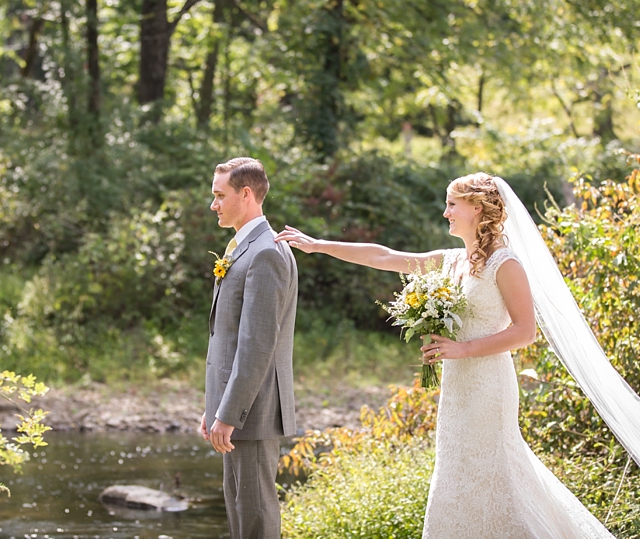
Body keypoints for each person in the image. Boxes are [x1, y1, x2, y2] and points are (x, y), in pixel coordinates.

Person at [275, 172, 614, 538]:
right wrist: (319, 245)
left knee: (496, 471)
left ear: (477, 208)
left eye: (452, 204)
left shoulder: (506, 264)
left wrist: (463, 348)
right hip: (457, 386)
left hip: (488, 387)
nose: (445, 212)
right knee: (457, 473)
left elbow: (524, 331)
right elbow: (386, 256)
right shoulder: (453, 261)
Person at [201, 157, 298, 539]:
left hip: (253, 413)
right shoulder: (242, 247)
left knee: (256, 515)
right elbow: (225, 340)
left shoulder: (266, 253)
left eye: (219, 195)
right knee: (240, 513)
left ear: (246, 194)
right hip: (234, 409)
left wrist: (230, 413)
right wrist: (214, 407)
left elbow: (256, 345)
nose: (214, 205)